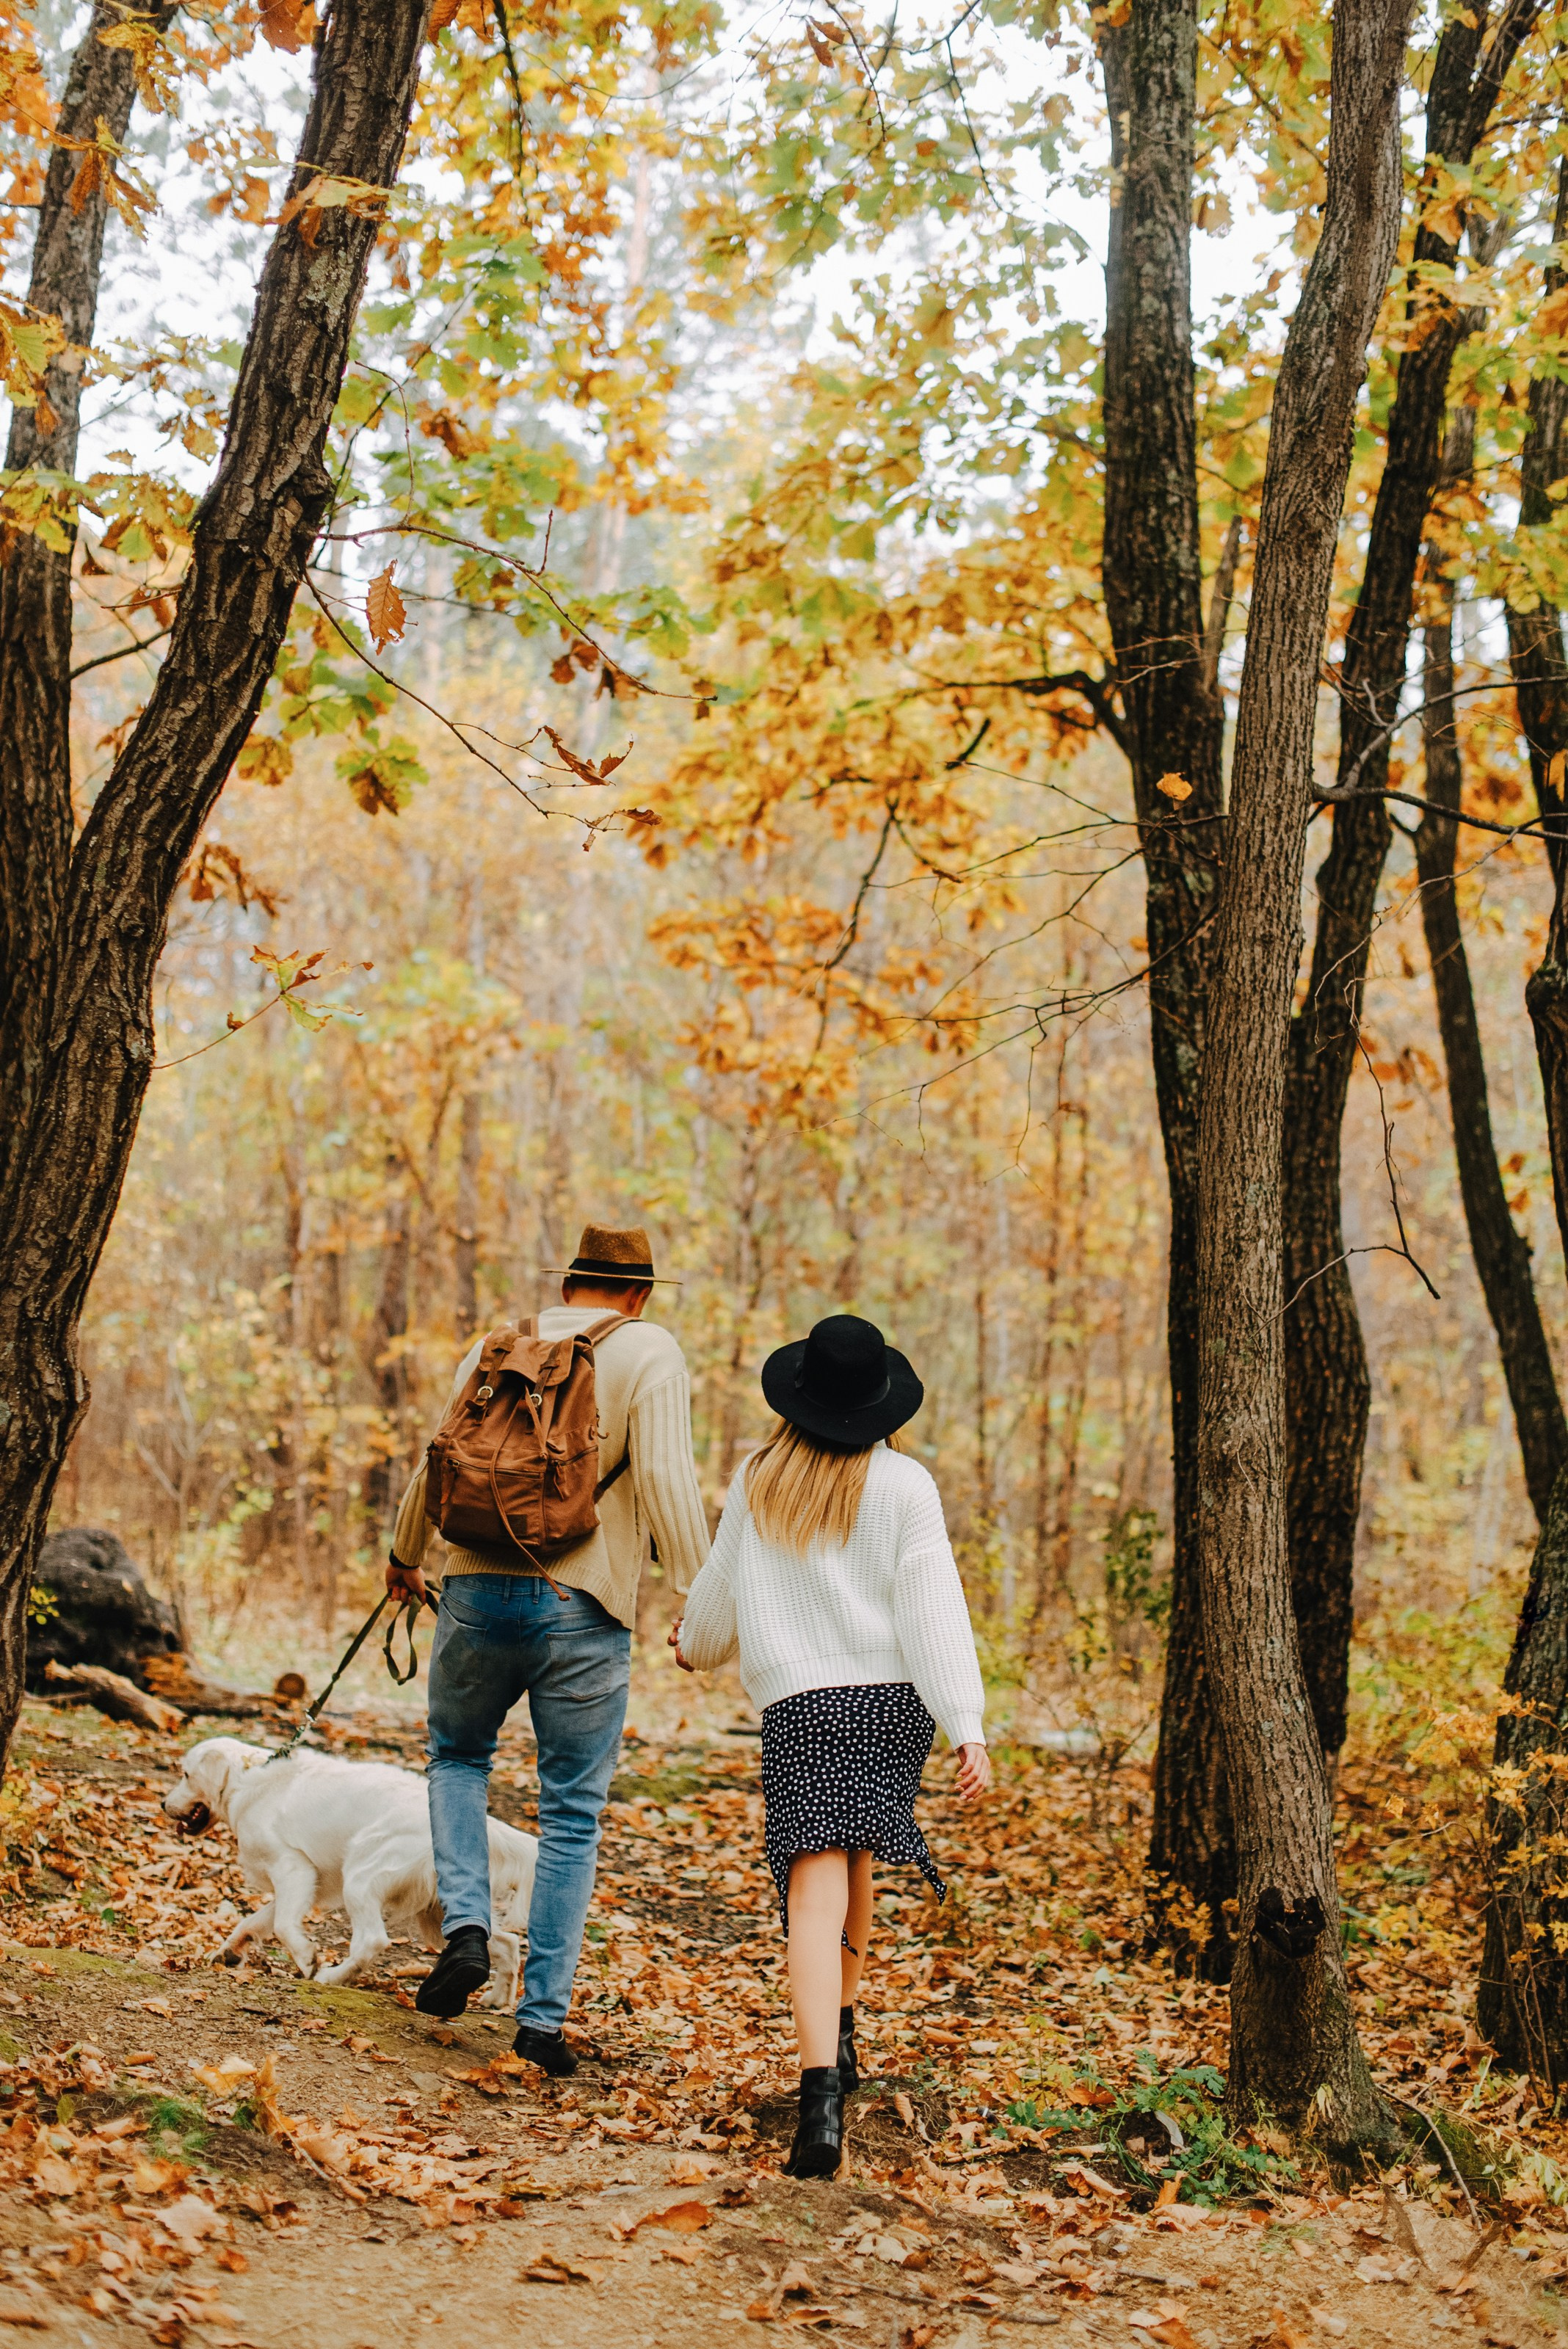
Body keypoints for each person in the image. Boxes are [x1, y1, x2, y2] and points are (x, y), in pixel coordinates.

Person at [385, 1222, 710, 2074]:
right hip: (584, 1604)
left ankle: (464, 1926)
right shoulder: (650, 1351)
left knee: (457, 1757)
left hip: (475, 1592)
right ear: (638, 1293)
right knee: (571, 1812)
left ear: (567, 1283)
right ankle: (540, 2023)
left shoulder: (497, 1348)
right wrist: (701, 1599)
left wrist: (404, 1552)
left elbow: (437, 1460)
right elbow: (671, 1480)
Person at [672, 1312, 990, 2178]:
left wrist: (695, 1645)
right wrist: (965, 1722)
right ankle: (844, 2033)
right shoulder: (907, 1483)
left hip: (803, 1706)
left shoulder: (760, 1476)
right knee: (853, 1860)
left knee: (814, 1884)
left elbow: (719, 1588)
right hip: (891, 1707)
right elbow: (935, 1607)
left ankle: (819, 2099)